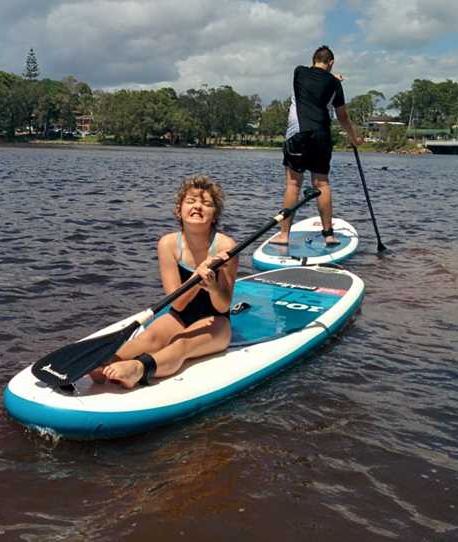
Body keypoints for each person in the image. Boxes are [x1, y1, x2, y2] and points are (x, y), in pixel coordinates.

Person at [90, 175, 239, 388]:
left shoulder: (226, 246)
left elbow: (222, 305)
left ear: (214, 215)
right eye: (191, 201)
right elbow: (177, 303)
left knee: (182, 343)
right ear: (179, 210)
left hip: (216, 322)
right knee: (146, 339)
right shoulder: (168, 244)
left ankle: (139, 369)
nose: (198, 207)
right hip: (179, 315)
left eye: (206, 204)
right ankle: (103, 362)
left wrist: (212, 283)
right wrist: (197, 278)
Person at [272, 45, 363, 246]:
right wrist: (353, 138)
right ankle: (329, 235)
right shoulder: (335, 84)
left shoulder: (299, 72)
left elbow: (314, 79)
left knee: (293, 184)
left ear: (314, 60)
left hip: (298, 134)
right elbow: (343, 117)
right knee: (322, 184)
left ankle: (284, 235)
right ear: (331, 62)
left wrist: (331, 78)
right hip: (322, 136)